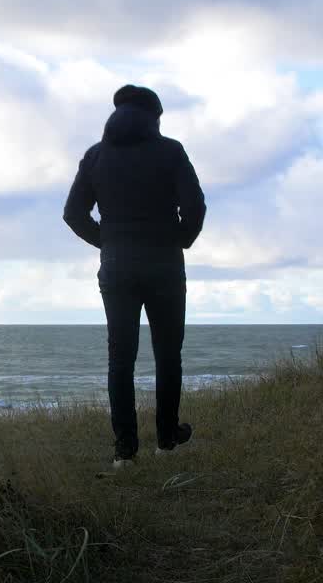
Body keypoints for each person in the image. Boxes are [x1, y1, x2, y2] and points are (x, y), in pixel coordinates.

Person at [63, 84, 206, 467]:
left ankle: (125, 452)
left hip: (117, 268)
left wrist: (108, 242)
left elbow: (73, 214)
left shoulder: (96, 157)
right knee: (167, 355)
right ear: (155, 118)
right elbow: (195, 207)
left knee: (120, 359)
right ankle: (167, 439)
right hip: (164, 266)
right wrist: (181, 240)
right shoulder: (170, 151)